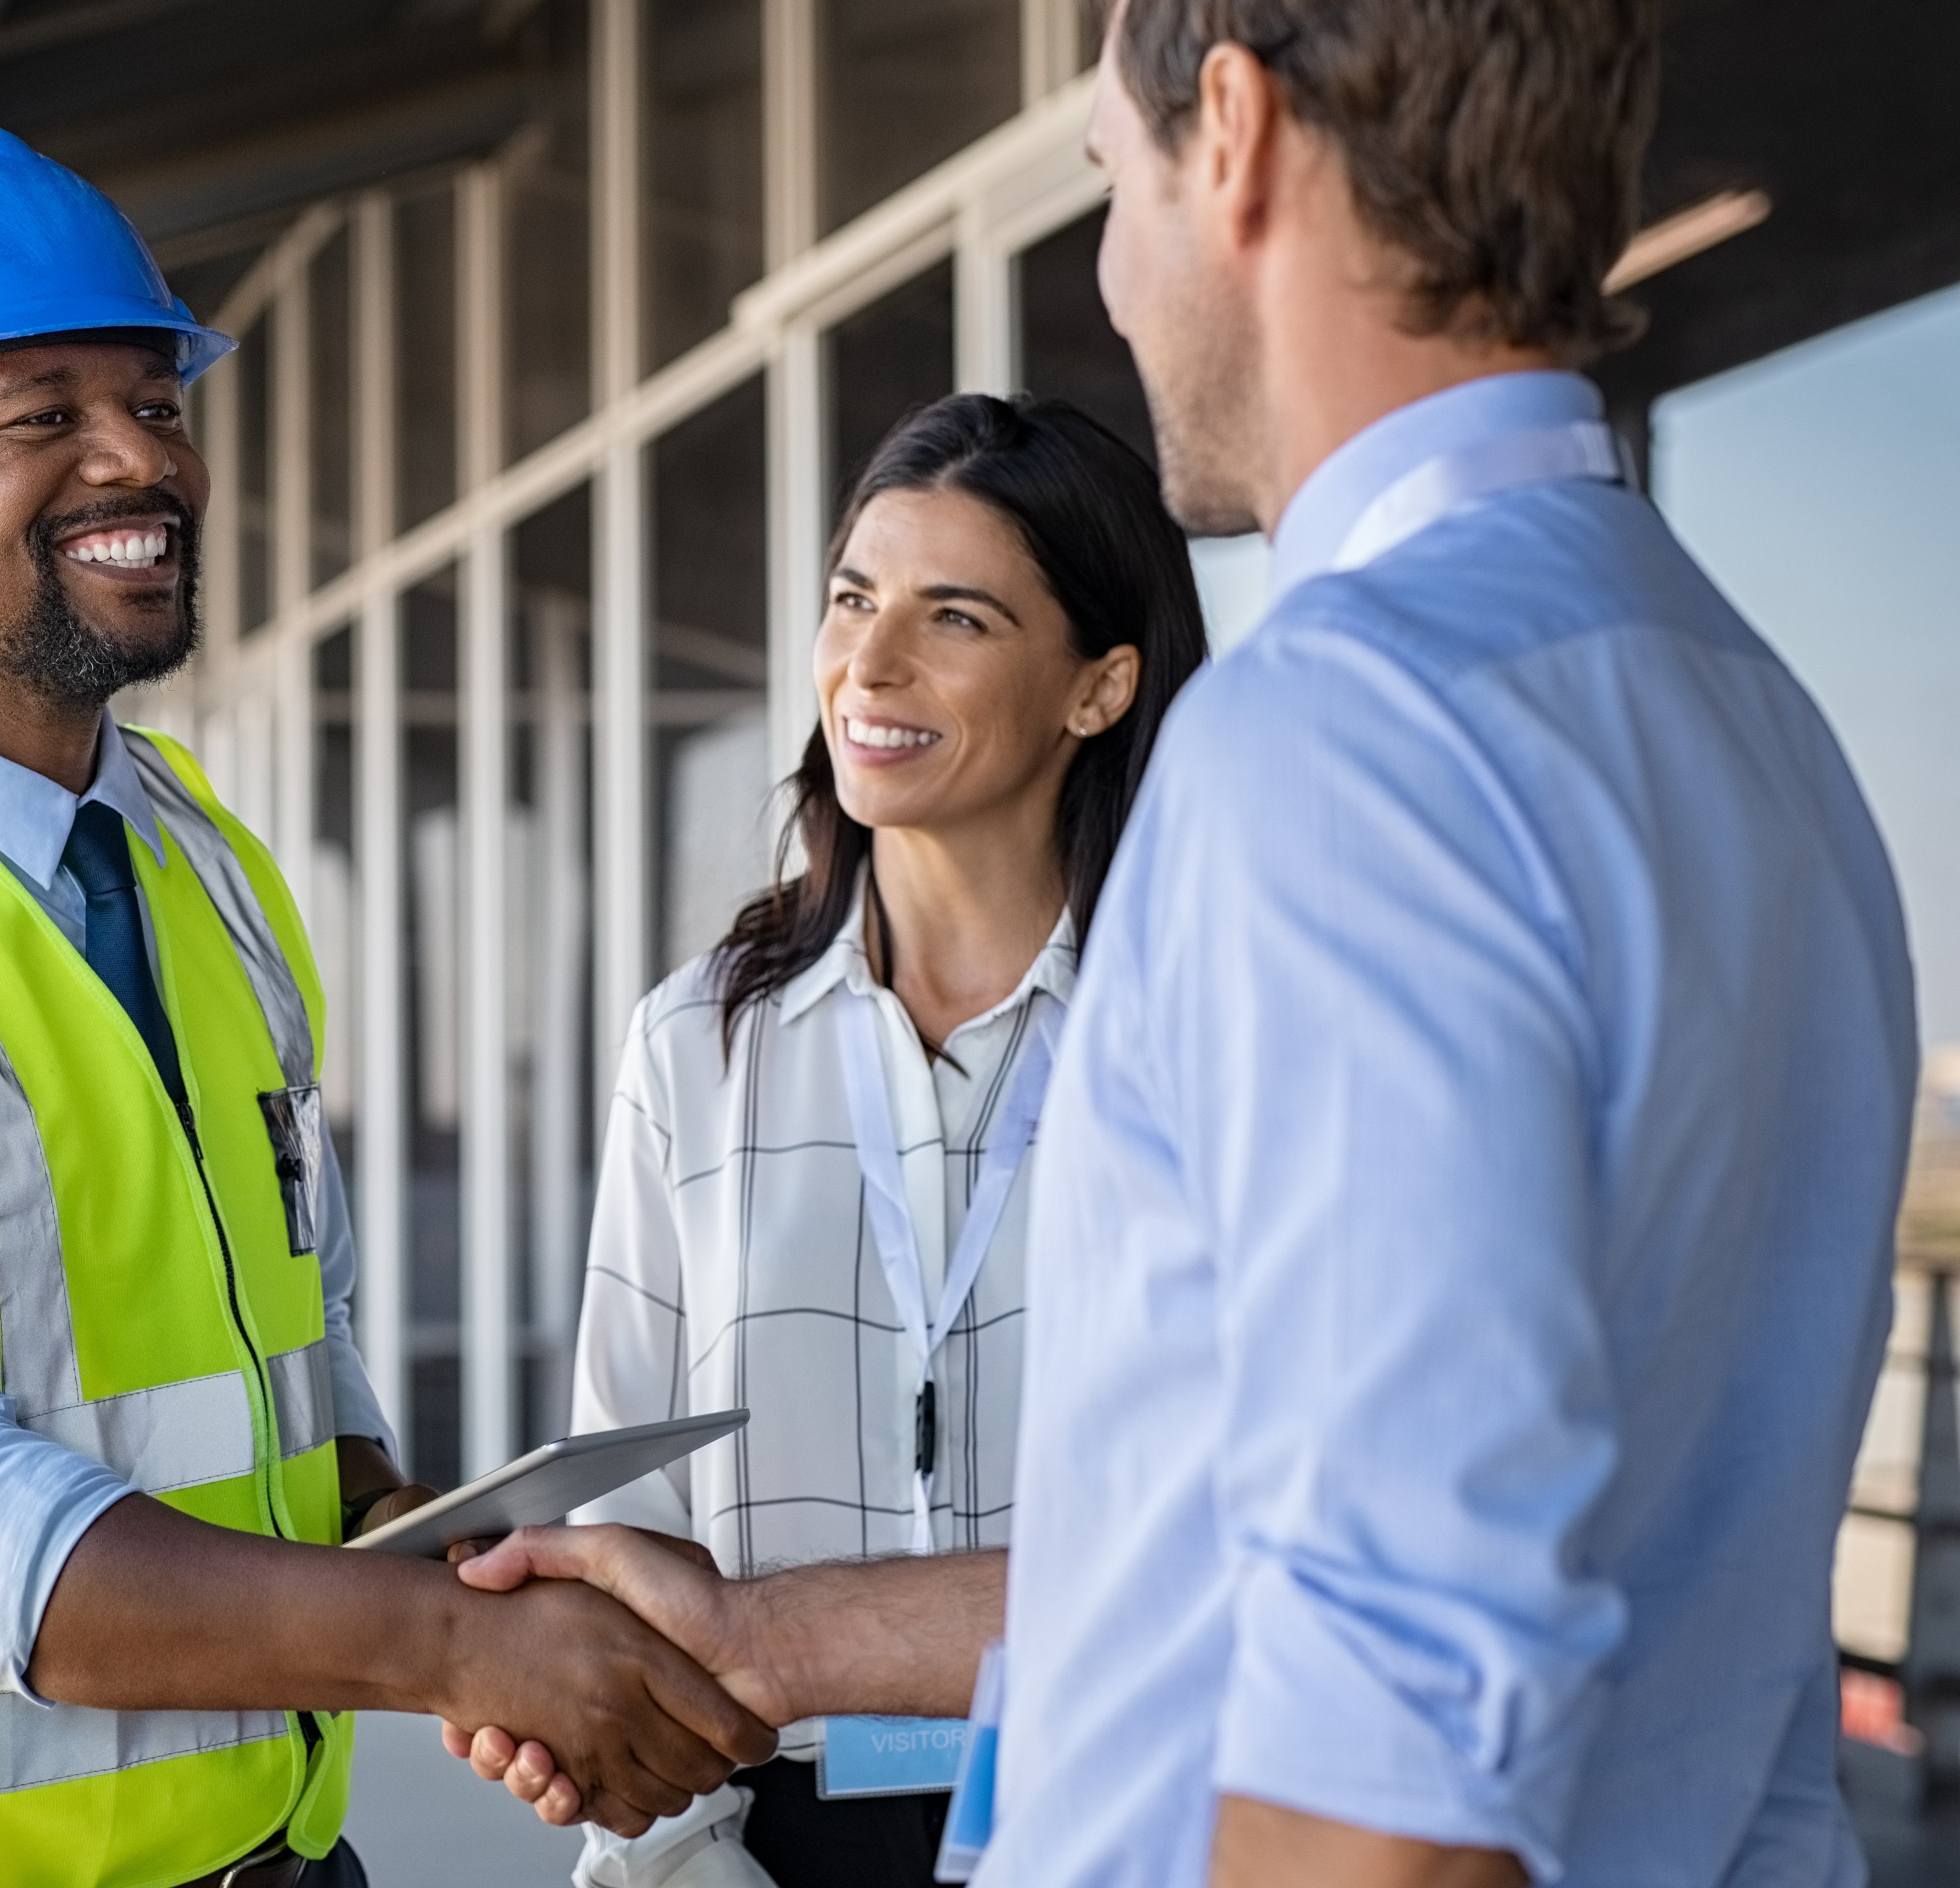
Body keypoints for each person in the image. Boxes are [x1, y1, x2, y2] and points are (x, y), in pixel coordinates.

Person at [450, 1, 1920, 1883]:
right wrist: (767, 1641)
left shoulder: (1349, 738)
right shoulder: (1751, 716)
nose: (1116, 280)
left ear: (1228, 133)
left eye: (1106, 179)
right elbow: (1236, 1558)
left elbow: (1387, 1744)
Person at [0, 126, 771, 1888]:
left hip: (291, 1860)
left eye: (158, 401)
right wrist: (452, 1655)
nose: (142, 459)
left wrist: (452, 1560)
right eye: (44, 413)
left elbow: (291, 1369)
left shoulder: (199, 859)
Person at [557, 393, 1205, 1888]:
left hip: (1125, 1824)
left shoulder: (1196, 1039)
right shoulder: (695, 1044)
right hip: (770, 1835)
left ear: (1097, 688)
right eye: (854, 599)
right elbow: (624, 1513)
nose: (871, 663)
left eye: (956, 617)